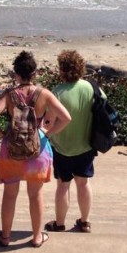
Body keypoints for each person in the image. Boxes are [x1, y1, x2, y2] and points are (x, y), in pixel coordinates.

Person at [0, 50, 72, 248]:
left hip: (11, 150)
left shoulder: (9, 95)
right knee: (35, 194)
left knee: (9, 194)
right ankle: (36, 237)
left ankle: (5, 236)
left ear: (16, 73)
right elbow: (66, 118)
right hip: (37, 149)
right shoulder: (44, 94)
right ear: (34, 73)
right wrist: (47, 134)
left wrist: (1, 135)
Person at [46, 49, 97, 234]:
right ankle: (85, 222)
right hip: (86, 145)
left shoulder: (57, 92)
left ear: (62, 69)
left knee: (63, 185)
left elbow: (49, 121)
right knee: (83, 183)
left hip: (62, 148)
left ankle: (59, 224)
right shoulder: (90, 87)